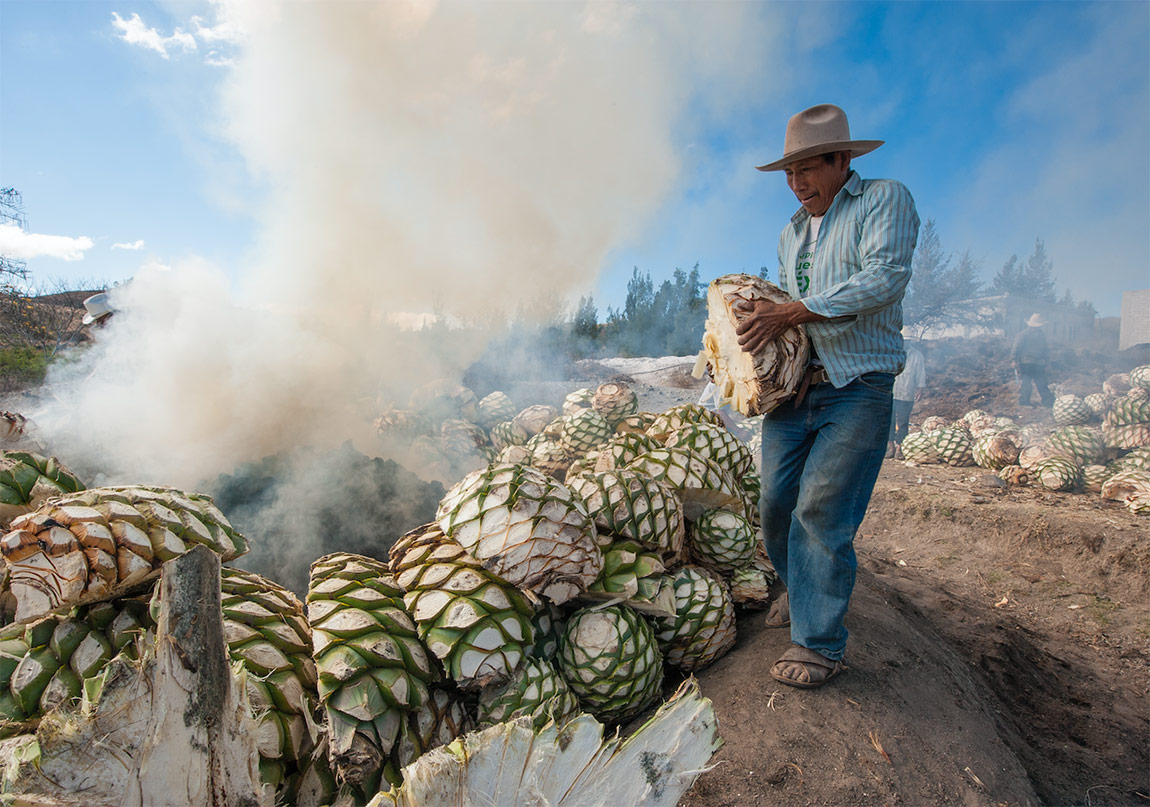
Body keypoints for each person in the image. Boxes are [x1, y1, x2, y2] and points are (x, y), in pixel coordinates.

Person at [735, 103, 919, 688]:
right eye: (789, 175)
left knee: (821, 510)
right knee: (775, 503)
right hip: (797, 392)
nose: (797, 185)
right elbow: (789, 317)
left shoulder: (883, 200)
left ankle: (818, 643)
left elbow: (883, 278)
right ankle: (801, 588)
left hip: (857, 386)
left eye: (809, 170)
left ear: (842, 160)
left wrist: (789, 310)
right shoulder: (792, 231)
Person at [887, 338, 926, 458]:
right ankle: (890, 447)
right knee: (889, 420)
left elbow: (920, 372)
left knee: (903, 422)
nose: (905, 343)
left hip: (906, 392)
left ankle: (900, 448)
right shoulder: (891, 352)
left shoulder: (916, 355)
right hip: (891, 392)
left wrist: (920, 388)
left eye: (908, 340)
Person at [1012, 313, 1054, 407]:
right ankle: (1024, 402)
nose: (1037, 328)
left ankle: (1049, 402)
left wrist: (1047, 362)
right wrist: (1014, 360)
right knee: (1026, 383)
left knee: (1042, 383)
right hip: (1026, 363)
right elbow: (1016, 348)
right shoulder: (1022, 335)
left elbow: (1045, 349)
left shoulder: (1041, 335)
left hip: (1038, 363)